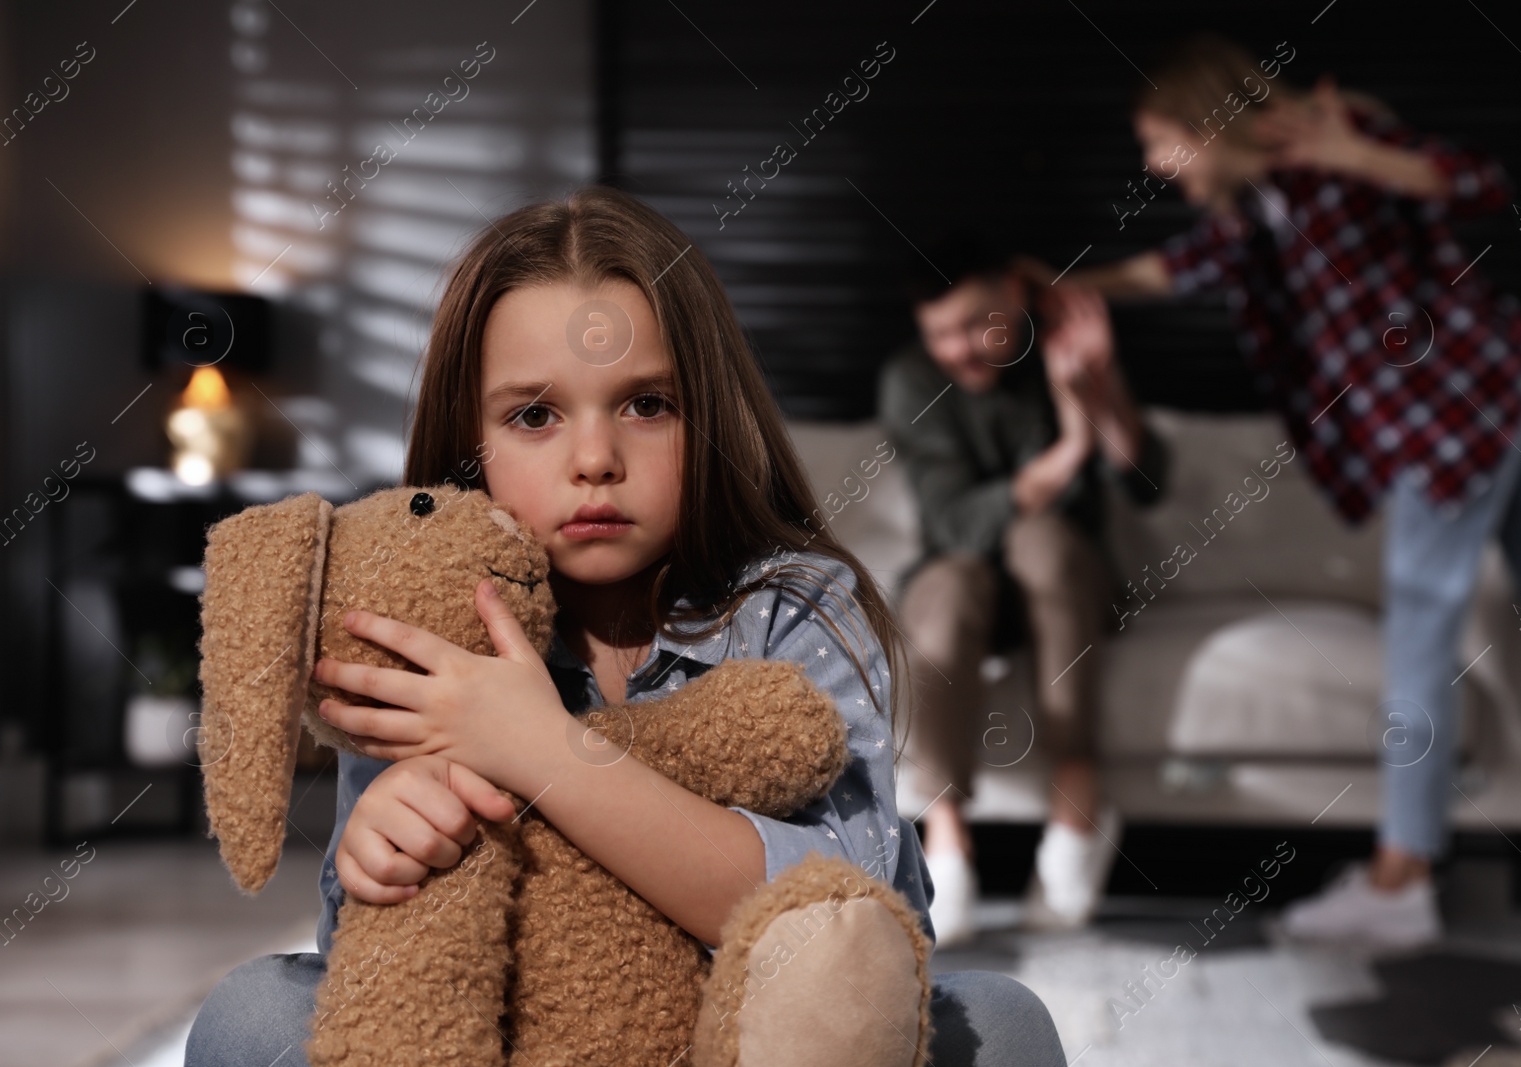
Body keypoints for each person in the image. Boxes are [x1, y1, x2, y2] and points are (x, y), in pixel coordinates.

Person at [184, 187, 1069, 1066]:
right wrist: (378, 851)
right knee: (253, 1015)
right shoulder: (425, 621)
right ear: (470, 442)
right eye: (534, 416)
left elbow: (860, 917)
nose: (596, 459)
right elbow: (372, 982)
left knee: (1005, 1024)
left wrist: (544, 749)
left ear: (711, 415)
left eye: (647, 404)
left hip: (736, 1043)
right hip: (510, 1045)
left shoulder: (795, 606)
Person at [1064, 33, 1521, 949]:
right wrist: (1076, 286)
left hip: (1459, 405)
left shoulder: (1330, 146)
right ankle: (1404, 869)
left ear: (1206, 123)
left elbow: (1478, 183)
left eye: (1162, 141)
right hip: (1513, 382)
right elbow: (1186, 265)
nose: (1154, 163)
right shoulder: (1259, 205)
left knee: (1423, 630)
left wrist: (1355, 150)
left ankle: (1401, 875)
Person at [878, 235, 1169, 945]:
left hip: (1064, 579)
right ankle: (946, 843)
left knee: (1040, 538)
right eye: (940, 333)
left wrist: (1099, 393)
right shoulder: (911, 382)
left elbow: (1145, 480)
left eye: (975, 324)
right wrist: (1069, 446)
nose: (959, 349)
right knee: (943, 590)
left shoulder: (1060, 351)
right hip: (966, 574)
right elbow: (954, 523)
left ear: (1014, 295)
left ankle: (1079, 808)